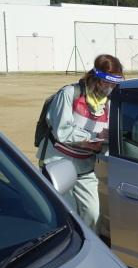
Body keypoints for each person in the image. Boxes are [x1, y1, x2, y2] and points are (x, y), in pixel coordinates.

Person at [36, 54, 124, 231]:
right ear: (98, 79)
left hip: (85, 166)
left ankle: (91, 248)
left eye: (115, 83)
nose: (112, 87)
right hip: (58, 163)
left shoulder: (109, 103)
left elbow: (109, 134)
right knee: (66, 214)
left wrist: (107, 139)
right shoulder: (69, 94)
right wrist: (89, 139)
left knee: (92, 214)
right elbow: (62, 130)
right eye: (108, 83)